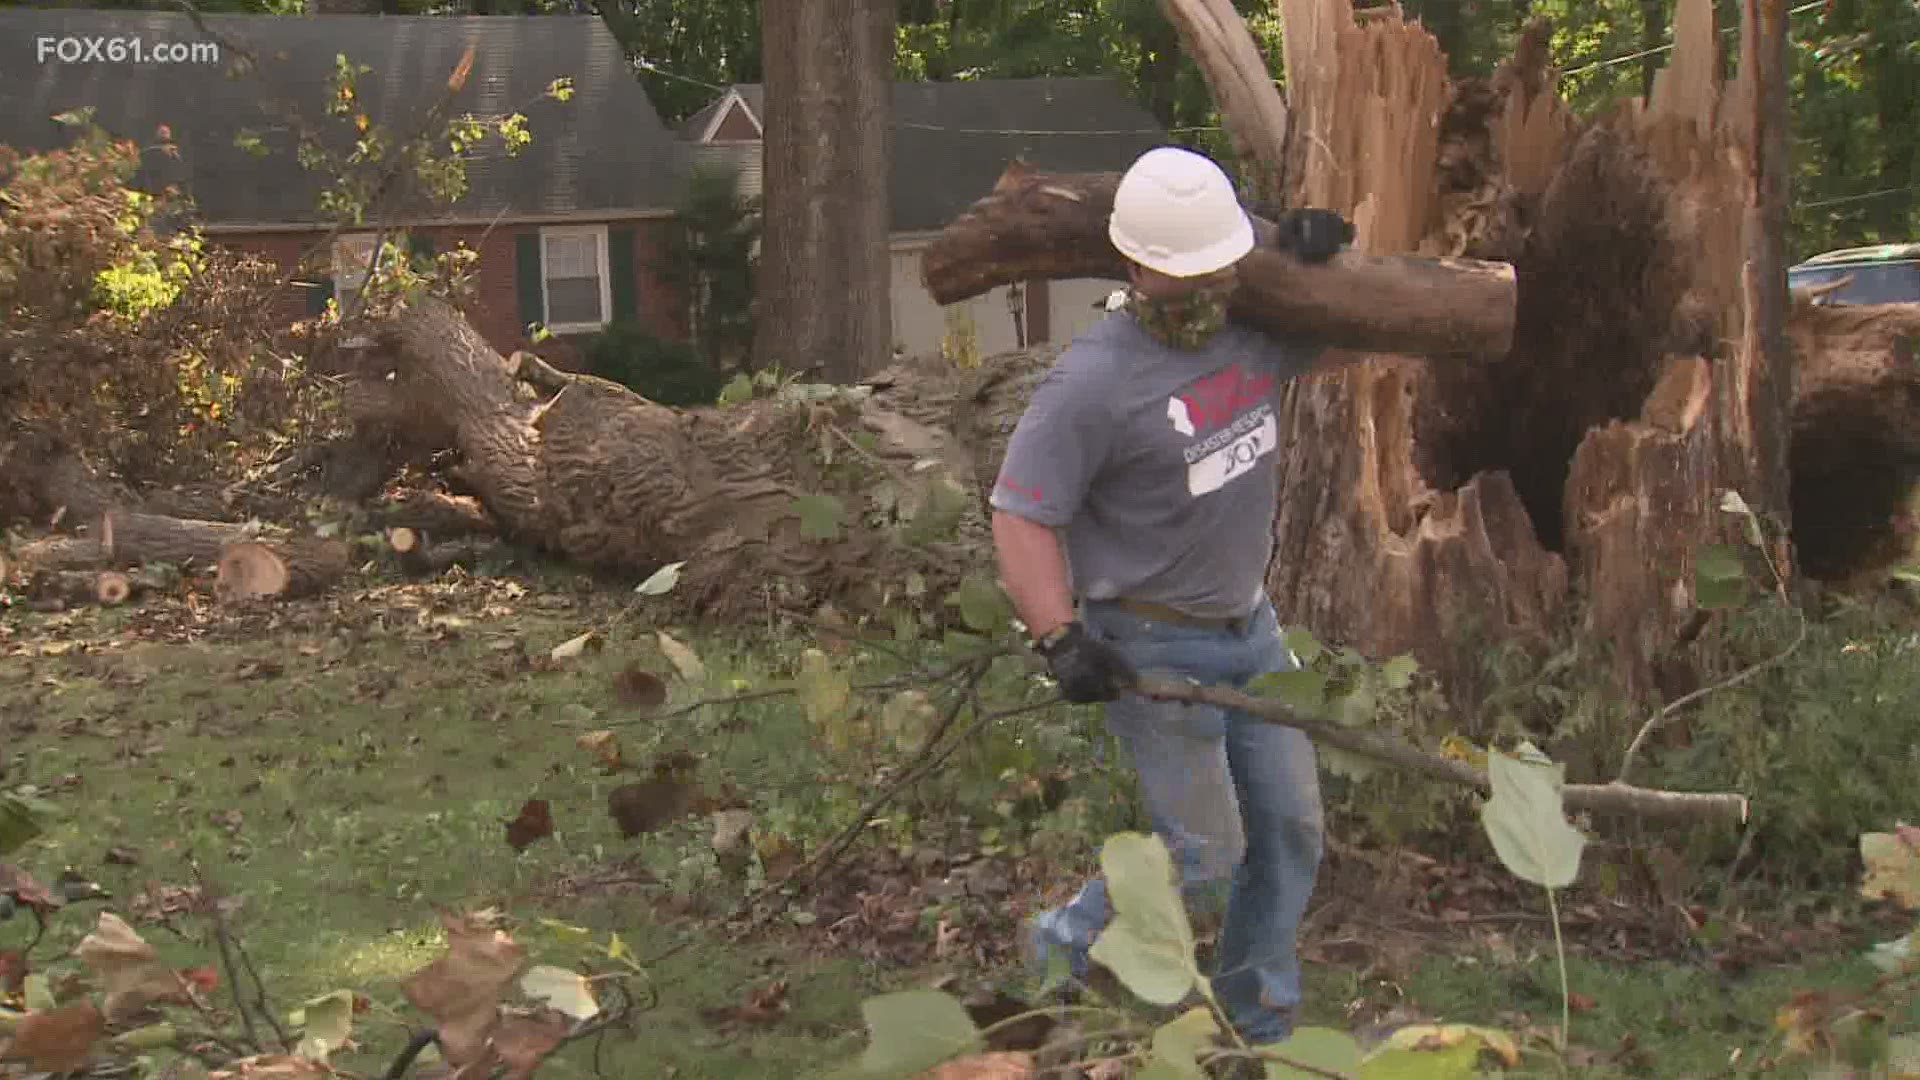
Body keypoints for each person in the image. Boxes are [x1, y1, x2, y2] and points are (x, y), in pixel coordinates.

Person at [988, 144, 1354, 1048]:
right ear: (1130, 265)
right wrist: (1060, 637)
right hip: (1149, 639)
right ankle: (1059, 946)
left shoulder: (1256, 327)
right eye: (1175, 274)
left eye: (1213, 270)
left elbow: (1359, 332)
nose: (1197, 291)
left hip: (1252, 629)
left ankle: (1254, 1028)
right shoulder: (1094, 382)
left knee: (1292, 828)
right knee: (1205, 853)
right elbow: (1021, 514)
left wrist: (1322, 260)